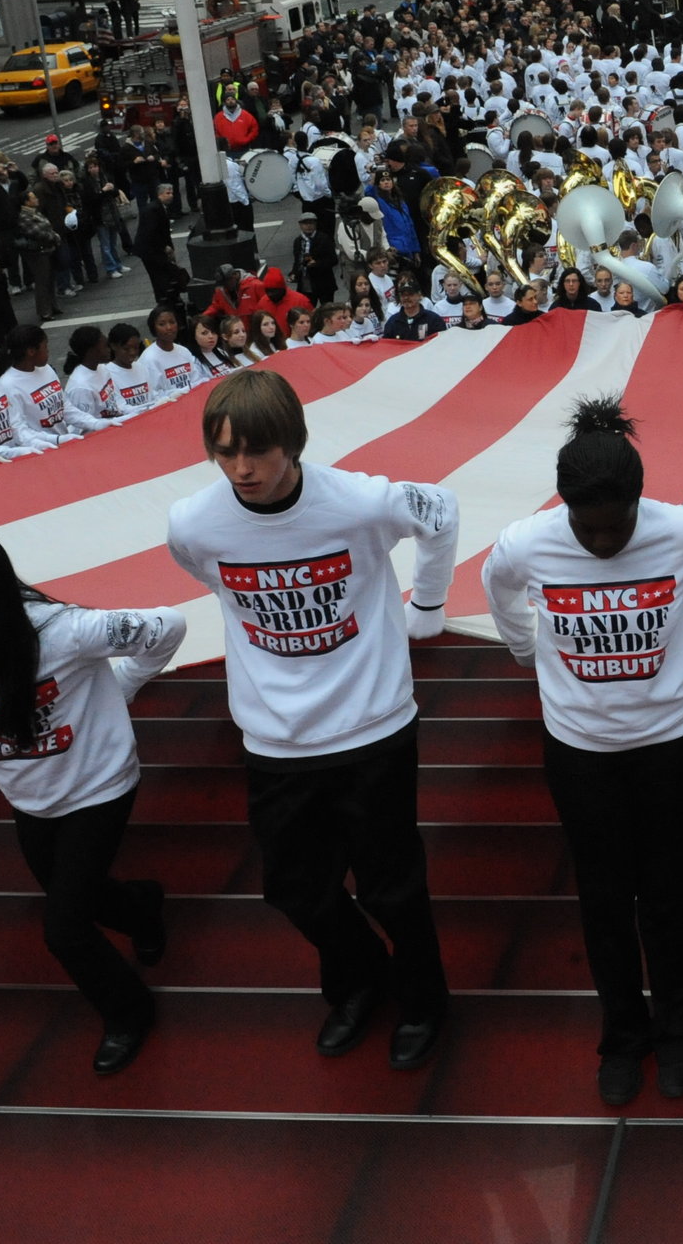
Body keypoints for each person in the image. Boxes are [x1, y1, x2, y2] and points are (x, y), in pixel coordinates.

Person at [165, 371, 459, 1071]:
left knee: (391, 886)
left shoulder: (360, 502)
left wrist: (428, 605)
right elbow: (207, 574)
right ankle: (361, 980)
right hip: (275, 738)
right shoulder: (194, 523)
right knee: (295, 888)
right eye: (225, 452)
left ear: (292, 444)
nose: (241, 468)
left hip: (373, 728)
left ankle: (423, 999)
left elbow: (441, 512)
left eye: (256, 451)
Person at [484, 399, 683, 1104]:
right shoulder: (527, 545)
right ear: (563, 507)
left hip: (671, 744)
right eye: (585, 527)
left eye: (615, 526)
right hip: (581, 751)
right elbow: (498, 589)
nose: (600, 541)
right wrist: (526, 649)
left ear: (638, 502)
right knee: (603, 897)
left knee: (668, 891)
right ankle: (623, 1033)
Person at [0, 531, 184, 1073]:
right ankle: (144, 907)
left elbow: (169, 625)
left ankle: (128, 1012)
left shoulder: (65, 632)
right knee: (81, 895)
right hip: (29, 794)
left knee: (64, 928)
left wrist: (124, 685)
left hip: (98, 786)